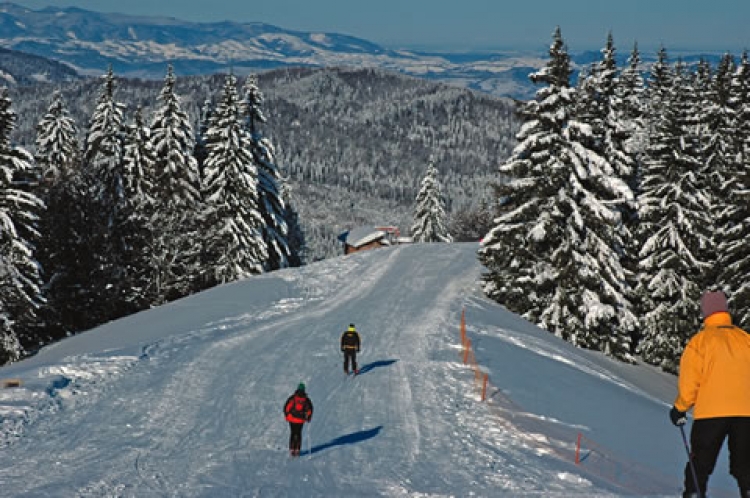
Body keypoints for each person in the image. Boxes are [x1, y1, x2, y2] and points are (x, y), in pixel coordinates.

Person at [669, 290, 750, 498]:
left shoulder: (700, 342)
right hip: (746, 412)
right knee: (746, 462)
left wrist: (680, 408)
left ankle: (695, 493)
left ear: (705, 313)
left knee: (701, 462)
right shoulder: (745, 339)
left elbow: (690, 383)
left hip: (711, 414)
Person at [283, 382, 313, 457]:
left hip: (292, 419)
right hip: (301, 419)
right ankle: (297, 449)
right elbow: (310, 409)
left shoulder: (293, 398)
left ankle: (292, 449)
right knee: (298, 433)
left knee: (293, 433)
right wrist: (308, 417)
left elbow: (286, 407)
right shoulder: (306, 399)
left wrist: (287, 415)